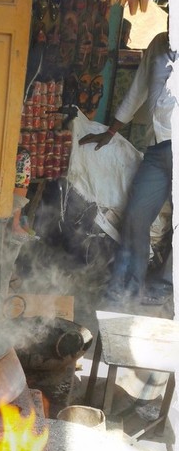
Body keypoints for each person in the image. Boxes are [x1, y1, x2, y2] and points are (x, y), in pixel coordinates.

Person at [79, 29, 175, 304]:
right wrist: (110, 132)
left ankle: (165, 286)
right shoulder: (158, 43)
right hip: (158, 149)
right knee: (135, 216)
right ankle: (129, 285)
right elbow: (137, 91)